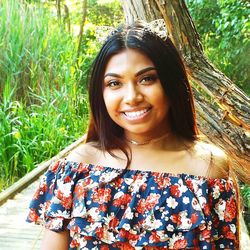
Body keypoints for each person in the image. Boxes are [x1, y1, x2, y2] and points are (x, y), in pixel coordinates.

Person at [27, 21, 239, 249]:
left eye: (147, 79)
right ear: (101, 92)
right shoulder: (78, 168)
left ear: (171, 83)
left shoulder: (207, 168)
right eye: (114, 83)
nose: (132, 97)